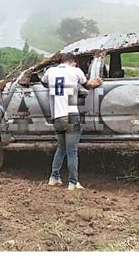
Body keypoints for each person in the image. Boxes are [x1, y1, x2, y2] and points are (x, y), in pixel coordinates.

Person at [41, 53, 103, 190]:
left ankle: (54, 177)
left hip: (56, 117)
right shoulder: (76, 71)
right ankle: (73, 183)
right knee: (72, 151)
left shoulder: (50, 72)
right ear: (73, 62)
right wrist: (97, 82)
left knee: (61, 148)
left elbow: (43, 82)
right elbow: (87, 85)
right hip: (70, 115)